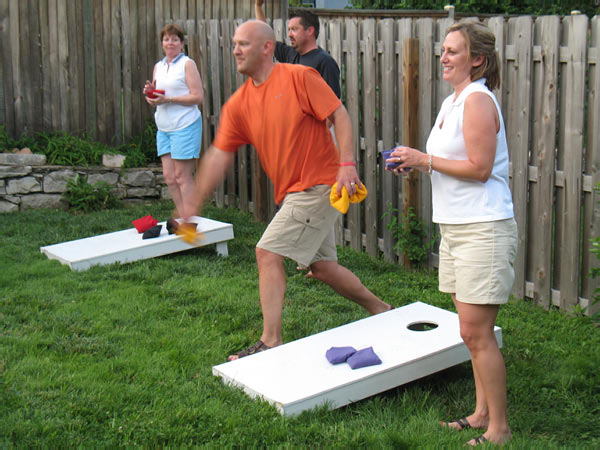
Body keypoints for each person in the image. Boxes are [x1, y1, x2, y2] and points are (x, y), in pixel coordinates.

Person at [184, 20, 392, 361]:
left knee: (267, 253)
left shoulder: (300, 78)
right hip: (296, 192)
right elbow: (219, 156)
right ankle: (382, 309)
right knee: (323, 268)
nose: (235, 50)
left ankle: (270, 341)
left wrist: (347, 163)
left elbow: (339, 115)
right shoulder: (239, 104)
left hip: (320, 184)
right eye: (234, 44)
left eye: (243, 44)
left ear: (267, 47)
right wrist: (192, 201)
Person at [386, 20, 516, 446]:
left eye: (454, 51)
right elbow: (446, 161)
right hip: (457, 227)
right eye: (444, 50)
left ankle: (499, 428)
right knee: (468, 331)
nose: (444, 56)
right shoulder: (453, 102)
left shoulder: (478, 100)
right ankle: (480, 413)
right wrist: (417, 162)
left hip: (484, 228)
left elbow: (480, 169)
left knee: (478, 333)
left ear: (476, 59)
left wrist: (424, 161)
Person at [144, 24, 204, 222]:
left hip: (185, 125)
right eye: (166, 39)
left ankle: (191, 221)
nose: (170, 43)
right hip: (164, 128)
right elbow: (157, 96)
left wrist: (168, 100)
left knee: (182, 176)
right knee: (169, 178)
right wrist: (151, 95)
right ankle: (183, 218)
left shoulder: (187, 64)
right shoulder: (159, 66)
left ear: (181, 43)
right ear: (162, 43)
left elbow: (197, 97)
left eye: (174, 39)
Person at [255, 0, 341, 98]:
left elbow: (332, 104)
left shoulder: (325, 62)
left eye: (294, 29)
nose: (289, 34)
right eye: (289, 30)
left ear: (310, 31)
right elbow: (266, 38)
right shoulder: (291, 54)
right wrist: (258, 6)